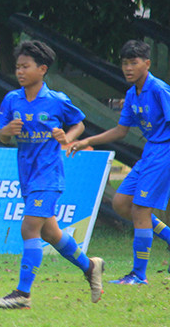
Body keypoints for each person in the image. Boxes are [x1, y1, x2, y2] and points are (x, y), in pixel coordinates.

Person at [0, 40, 103, 307]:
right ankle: (90, 266)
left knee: (29, 227)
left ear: (42, 69)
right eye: (18, 67)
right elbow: (0, 135)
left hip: (49, 174)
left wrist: (67, 137)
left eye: (25, 67)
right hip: (27, 175)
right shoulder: (12, 99)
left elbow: (78, 124)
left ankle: (22, 294)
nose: (20, 72)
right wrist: (6, 132)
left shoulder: (56, 101)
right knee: (50, 233)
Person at [69, 39, 170, 284]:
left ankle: (138, 274)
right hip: (151, 152)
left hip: (164, 152)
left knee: (141, 209)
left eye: (134, 63)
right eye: (125, 63)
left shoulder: (158, 89)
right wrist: (86, 141)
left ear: (147, 64)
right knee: (121, 202)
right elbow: (121, 130)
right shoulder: (131, 94)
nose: (128, 68)